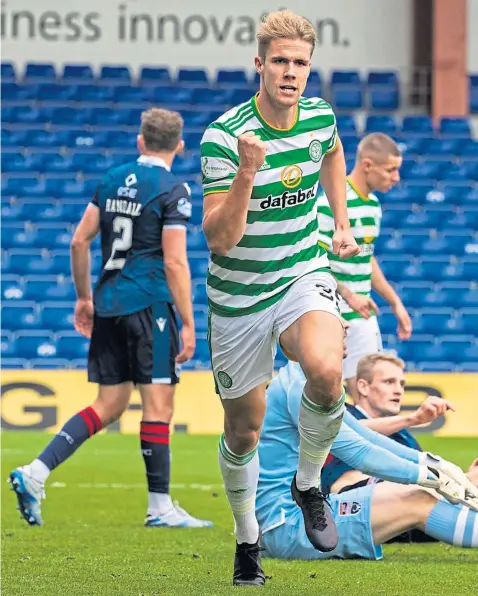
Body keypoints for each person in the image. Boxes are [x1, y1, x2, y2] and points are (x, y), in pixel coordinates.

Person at [200, 9, 359, 586]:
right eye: (281, 62)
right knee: (244, 430)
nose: (291, 73)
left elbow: (334, 153)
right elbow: (220, 239)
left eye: (301, 64)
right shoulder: (222, 136)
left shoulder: (319, 117)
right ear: (259, 65)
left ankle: (309, 480)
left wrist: (339, 218)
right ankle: (248, 544)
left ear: (309, 69)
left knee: (326, 370)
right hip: (239, 297)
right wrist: (246, 174)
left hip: (299, 272)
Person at [9, 108, 212, 530]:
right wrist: (189, 322)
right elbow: (174, 262)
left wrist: (84, 298)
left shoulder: (110, 179)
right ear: (179, 146)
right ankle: (160, 508)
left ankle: (36, 472)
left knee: (111, 403)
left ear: (140, 141)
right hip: (149, 306)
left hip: (108, 304)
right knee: (159, 407)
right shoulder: (174, 189)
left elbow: (79, 240)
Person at [256, 361, 478, 561]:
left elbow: (367, 438)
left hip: (294, 521)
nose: (346, 334)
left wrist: (435, 463)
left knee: (428, 493)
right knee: (417, 499)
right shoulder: (299, 388)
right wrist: (430, 476)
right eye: (389, 381)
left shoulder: (301, 381)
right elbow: (359, 451)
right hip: (290, 527)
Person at [317, 133, 413, 401]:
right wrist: (348, 295)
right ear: (368, 165)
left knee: (367, 399)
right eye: (391, 170)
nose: (395, 177)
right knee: (328, 398)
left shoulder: (373, 205)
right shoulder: (331, 203)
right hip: (330, 314)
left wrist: (395, 303)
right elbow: (312, 261)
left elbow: (366, 258)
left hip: (362, 316)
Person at [322, 353, 456, 495]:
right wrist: (413, 419)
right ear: (363, 387)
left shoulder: (404, 436)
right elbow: (349, 430)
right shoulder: (341, 414)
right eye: (389, 382)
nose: (398, 390)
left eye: (402, 384)